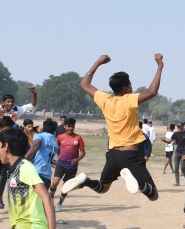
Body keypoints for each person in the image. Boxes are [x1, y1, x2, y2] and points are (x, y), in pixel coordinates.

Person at [63, 53, 163, 201]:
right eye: (130, 85)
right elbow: (152, 91)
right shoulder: (130, 99)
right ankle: (141, 185)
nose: (131, 87)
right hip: (130, 156)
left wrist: (98, 62)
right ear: (125, 88)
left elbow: (84, 84)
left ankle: (85, 181)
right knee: (154, 195)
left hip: (113, 155)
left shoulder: (105, 100)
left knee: (103, 188)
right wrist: (160, 66)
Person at [50, 118, 85, 212]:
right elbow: (55, 148)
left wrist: (77, 160)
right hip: (61, 164)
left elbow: (83, 153)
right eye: (69, 126)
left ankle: (60, 203)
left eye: (72, 127)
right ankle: (50, 200)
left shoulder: (78, 138)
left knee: (66, 186)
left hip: (72, 167)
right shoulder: (60, 137)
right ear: (65, 126)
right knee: (54, 183)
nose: (70, 128)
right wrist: (57, 157)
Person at [25, 119, 59, 189]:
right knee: (42, 199)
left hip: (37, 173)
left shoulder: (40, 136)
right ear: (54, 131)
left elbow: (35, 146)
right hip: (47, 176)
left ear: (43, 128)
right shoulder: (55, 142)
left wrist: (24, 158)